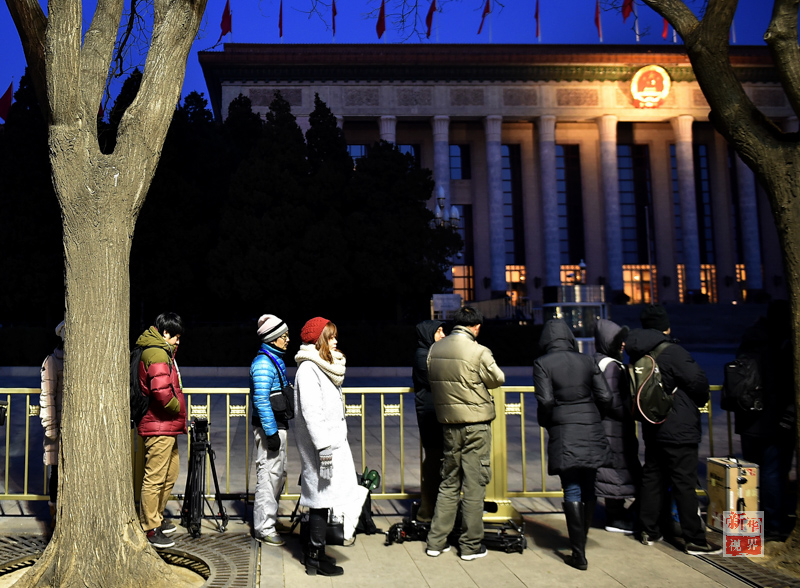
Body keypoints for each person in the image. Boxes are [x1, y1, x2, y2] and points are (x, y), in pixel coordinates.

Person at [626, 304, 718, 555]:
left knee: (653, 477)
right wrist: (698, 400)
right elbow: (698, 382)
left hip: (652, 424)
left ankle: (648, 530)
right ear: (665, 327)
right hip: (679, 427)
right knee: (684, 482)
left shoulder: (637, 352)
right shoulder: (673, 352)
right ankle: (695, 539)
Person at [425, 306, 505, 562]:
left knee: (449, 481)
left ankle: (436, 541)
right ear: (476, 326)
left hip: (449, 424)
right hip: (476, 424)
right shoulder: (478, 351)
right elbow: (497, 379)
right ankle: (470, 545)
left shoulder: (435, 349)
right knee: (474, 484)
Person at [533, 318, 612, 571]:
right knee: (589, 484)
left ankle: (578, 553)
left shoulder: (543, 363)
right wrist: (595, 415)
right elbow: (605, 396)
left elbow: (546, 401)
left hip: (563, 428)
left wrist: (548, 421)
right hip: (590, 425)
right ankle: (582, 540)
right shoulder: (587, 360)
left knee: (572, 488)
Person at [294, 317, 363, 576]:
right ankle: (313, 557)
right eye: (330, 337)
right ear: (319, 340)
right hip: (320, 448)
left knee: (325, 498)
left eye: (335, 336)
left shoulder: (322, 366)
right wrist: (324, 448)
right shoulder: (309, 369)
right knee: (319, 499)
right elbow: (312, 413)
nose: (335, 341)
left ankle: (318, 553)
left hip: (329, 444)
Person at [732, 300, 796, 540]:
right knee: (773, 473)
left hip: (748, 418)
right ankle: (774, 524)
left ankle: (753, 522)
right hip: (773, 421)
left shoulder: (750, 340)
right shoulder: (781, 345)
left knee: (753, 472)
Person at [136, 312, 187, 549]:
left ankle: (156, 517)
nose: (178, 341)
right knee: (155, 477)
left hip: (166, 425)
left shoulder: (162, 351)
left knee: (170, 473)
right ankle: (150, 527)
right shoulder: (156, 353)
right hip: (158, 424)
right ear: (165, 333)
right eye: (176, 336)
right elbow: (161, 391)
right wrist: (177, 407)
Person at [592, 318, 641, 534]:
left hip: (604, 428)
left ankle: (616, 513)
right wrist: (630, 411)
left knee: (612, 471)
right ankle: (616, 517)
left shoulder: (597, 361)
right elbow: (613, 400)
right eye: (618, 341)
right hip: (614, 429)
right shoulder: (612, 366)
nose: (623, 344)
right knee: (617, 471)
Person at [250, 314, 292, 546]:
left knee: (276, 476)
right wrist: (271, 433)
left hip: (277, 425)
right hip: (271, 428)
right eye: (284, 336)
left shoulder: (273, 360)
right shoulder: (264, 363)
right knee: (268, 477)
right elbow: (261, 400)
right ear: (273, 338)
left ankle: (269, 522)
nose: (287, 339)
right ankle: (264, 528)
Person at [411, 319, 445, 522]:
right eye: (438, 331)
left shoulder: (432, 353)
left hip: (438, 412)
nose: (443, 335)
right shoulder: (422, 355)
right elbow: (436, 378)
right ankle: (427, 510)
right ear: (428, 334)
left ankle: (436, 507)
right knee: (434, 459)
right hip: (430, 414)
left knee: (439, 459)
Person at [40, 320, 65, 531]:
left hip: (76, 431)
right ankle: (55, 519)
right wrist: (51, 428)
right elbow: (47, 396)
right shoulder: (53, 361)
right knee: (56, 473)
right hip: (58, 429)